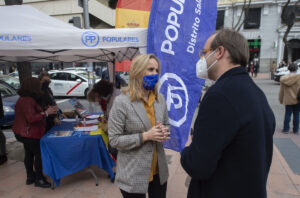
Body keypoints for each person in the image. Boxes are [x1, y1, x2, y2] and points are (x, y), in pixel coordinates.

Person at [180, 29, 275, 198]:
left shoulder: (220, 94)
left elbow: (198, 165)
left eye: (204, 53)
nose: (201, 58)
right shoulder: (256, 92)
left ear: (220, 52)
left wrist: (186, 150)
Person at [108, 54, 170, 198]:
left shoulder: (160, 99)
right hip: (133, 173)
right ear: (137, 72)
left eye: (156, 70)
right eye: (150, 69)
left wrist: (164, 131)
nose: (155, 74)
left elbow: (167, 124)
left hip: (158, 171)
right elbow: (114, 140)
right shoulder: (122, 102)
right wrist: (145, 136)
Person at [12, 77, 57, 188]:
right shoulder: (28, 100)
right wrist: (45, 113)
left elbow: (30, 113)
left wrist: (44, 110)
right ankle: (39, 179)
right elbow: (31, 118)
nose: (40, 87)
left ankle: (30, 177)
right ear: (33, 87)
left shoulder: (23, 98)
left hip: (22, 133)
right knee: (39, 154)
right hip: (29, 134)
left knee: (29, 153)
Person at [87, 79, 121, 159]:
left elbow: (116, 117)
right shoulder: (110, 96)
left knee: (114, 150)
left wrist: (108, 120)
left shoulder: (116, 98)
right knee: (112, 150)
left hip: (118, 132)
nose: (99, 98)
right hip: (115, 132)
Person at [279, 63, 300, 134]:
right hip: (298, 99)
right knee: (297, 114)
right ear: (296, 69)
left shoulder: (284, 79)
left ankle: (286, 129)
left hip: (288, 99)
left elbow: (281, 91)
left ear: (289, 69)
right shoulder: (299, 77)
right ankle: (296, 130)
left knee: (287, 114)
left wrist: (281, 99)